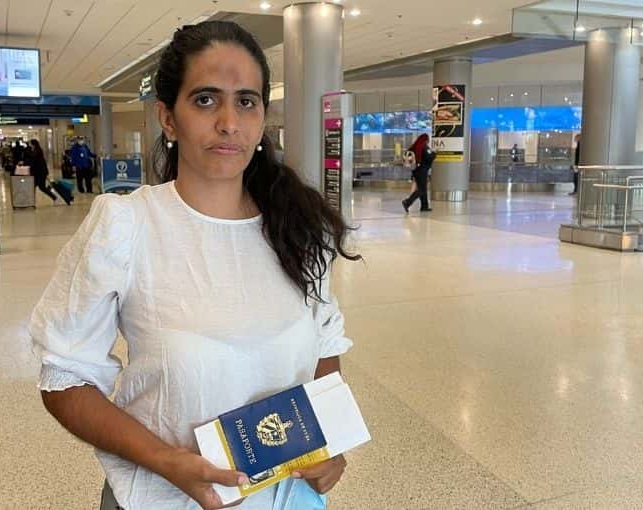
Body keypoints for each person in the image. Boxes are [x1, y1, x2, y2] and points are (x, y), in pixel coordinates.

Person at [29, 21, 360, 510]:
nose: (229, 122)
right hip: (161, 499)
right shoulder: (126, 224)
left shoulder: (298, 228)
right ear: (168, 118)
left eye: (246, 101)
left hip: (288, 500)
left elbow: (324, 348)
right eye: (206, 100)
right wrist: (165, 460)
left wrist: (325, 442)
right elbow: (65, 376)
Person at [26, 139, 69, 205]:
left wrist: (25, 162)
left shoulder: (37, 151)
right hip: (37, 173)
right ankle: (31, 201)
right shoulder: (35, 150)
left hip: (40, 173)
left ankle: (55, 198)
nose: (29, 145)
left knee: (41, 187)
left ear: (33, 144)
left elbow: (34, 161)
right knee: (33, 186)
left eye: (30, 143)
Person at [402, 133, 435, 213]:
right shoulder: (424, 147)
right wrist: (434, 154)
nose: (428, 141)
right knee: (421, 189)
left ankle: (424, 206)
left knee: (423, 188)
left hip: (415, 170)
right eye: (428, 139)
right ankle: (407, 202)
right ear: (425, 140)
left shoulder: (414, 146)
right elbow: (429, 157)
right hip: (422, 171)